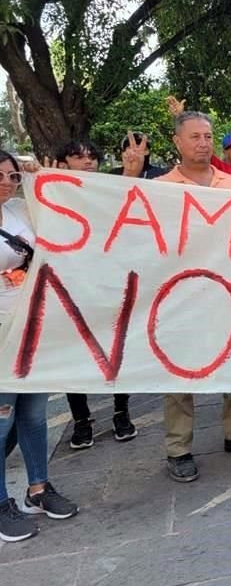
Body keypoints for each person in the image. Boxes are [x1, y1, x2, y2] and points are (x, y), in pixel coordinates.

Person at [155, 111, 231, 482]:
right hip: (180, 295)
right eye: (194, 137)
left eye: (207, 136)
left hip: (230, 290)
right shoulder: (160, 188)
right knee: (180, 374)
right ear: (177, 141)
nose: (203, 143)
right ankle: (179, 449)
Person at [0, 150, 79, 542]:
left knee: (33, 412)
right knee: (1, 421)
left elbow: (56, 223)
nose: (4, 182)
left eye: (10, 176)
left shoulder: (18, 210)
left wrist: (35, 175)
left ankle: (38, 489)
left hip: (30, 326)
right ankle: (0, 505)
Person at [50, 140, 141, 449]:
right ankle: (81, 420)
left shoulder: (107, 191)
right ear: (62, 163)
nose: (88, 162)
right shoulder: (51, 195)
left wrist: (132, 171)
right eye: (78, 156)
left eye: (92, 157)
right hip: (69, 289)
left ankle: (121, 412)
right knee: (73, 356)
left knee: (117, 349)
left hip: (109, 285)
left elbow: (128, 201)